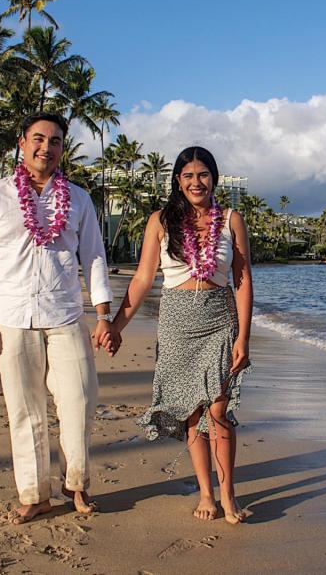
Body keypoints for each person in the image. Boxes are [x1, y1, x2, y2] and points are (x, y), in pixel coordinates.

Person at [0, 112, 117, 525]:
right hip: (11, 316)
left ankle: (76, 483)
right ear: (22, 143)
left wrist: (103, 314)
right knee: (24, 408)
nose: (46, 147)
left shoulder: (78, 199)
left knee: (80, 399)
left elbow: (94, 257)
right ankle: (35, 494)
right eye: (38, 139)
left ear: (63, 149)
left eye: (55, 141)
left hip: (65, 314)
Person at [107, 146, 253, 525]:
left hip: (220, 318)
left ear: (214, 178)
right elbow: (143, 278)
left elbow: (242, 280)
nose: (196, 182)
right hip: (176, 323)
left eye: (203, 174)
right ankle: (206, 493)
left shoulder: (231, 220)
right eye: (188, 175)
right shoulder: (160, 220)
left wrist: (243, 337)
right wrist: (116, 325)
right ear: (177, 180)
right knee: (192, 411)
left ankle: (228, 494)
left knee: (219, 410)